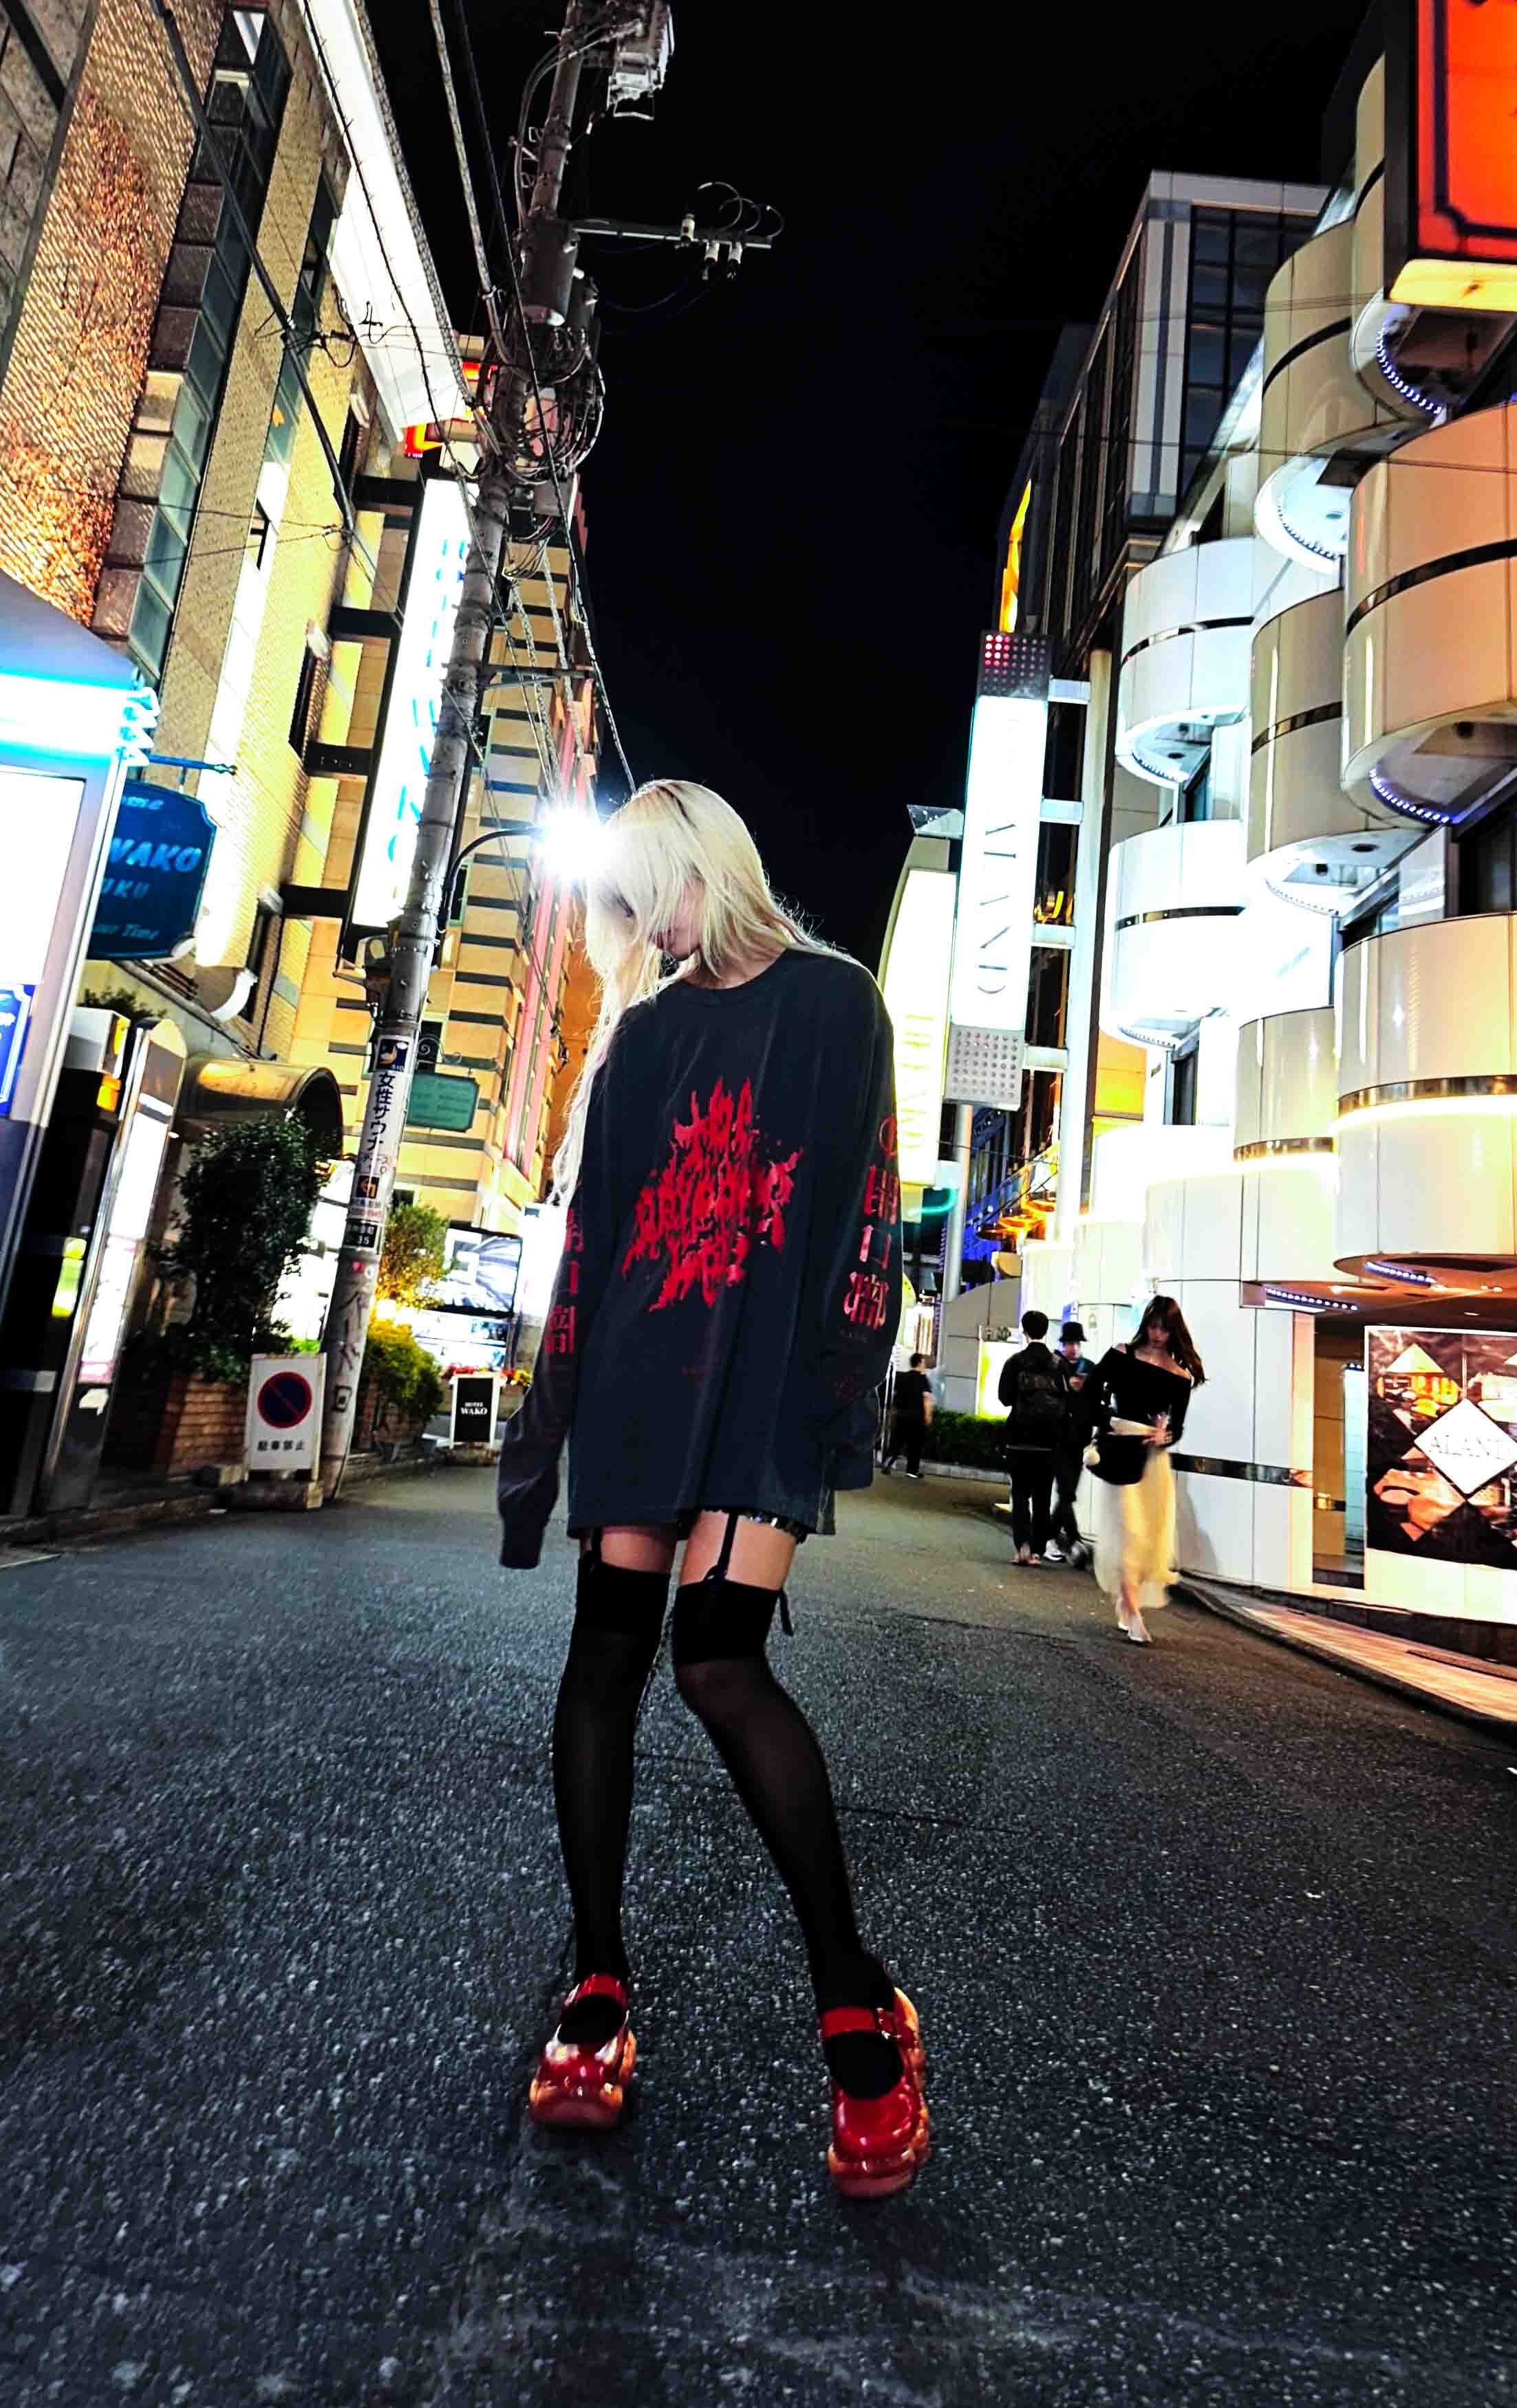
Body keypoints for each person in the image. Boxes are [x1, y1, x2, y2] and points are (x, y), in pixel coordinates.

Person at [497, 778, 931, 2201]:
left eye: (653, 895)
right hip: (641, 1376)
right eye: (625, 908)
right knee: (604, 1656)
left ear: (709, 863)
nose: (649, 928)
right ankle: (598, 1985)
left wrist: (832, 1400)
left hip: (765, 1387)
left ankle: (851, 1998)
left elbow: (866, 1212)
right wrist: (552, 1412)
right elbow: (596, 1230)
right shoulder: (644, 1031)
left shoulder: (835, 1002)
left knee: (718, 1664)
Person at [1077, 1296, 1204, 1644]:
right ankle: (1133, 1611)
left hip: (1152, 1461)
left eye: (1164, 1328)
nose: (1157, 1334)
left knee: (1148, 1539)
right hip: (1119, 1453)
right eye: (1153, 1326)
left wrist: (1165, 1436)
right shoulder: (1122, 1355)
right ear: (1146, 1324)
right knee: (1129, 1531)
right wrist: (1106, 1421)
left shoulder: (1180, 1377)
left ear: (1174, 1331)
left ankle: (1127, 1600)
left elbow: (1177, 1428)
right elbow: (1089, 1393)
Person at [996, 1311, 1067, 1567]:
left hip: (1019, 1439)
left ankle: (1022, 1547)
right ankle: (1038, 1551)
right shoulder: (1058, 1365)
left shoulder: (1015, 1362)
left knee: (1020, 1494)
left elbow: (1004, 1398)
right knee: (1042, 1497)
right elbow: (1067, 1402)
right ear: (1046, 1331)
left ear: (1024, 1331)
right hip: (1049, 1442)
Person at [1050, 1320, 1095, 1565]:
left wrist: (1085, 1389)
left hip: (1080, 1440)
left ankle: (1050, 1536)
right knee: (1066, 1491)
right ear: (1063, 1344)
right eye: (1070, 1343)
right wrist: (1067, 1389)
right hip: (1058, 1437)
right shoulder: (1055, 1367)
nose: (1074, 1348)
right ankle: (1071, 1539)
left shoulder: (1089, 1368)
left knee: (1067, 1492)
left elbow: (1098, 1399)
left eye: (1077, 1343)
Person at [882, 1353, 933, 1476]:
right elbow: (926, 1398)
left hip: (901, 1416)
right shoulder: (923, 1379)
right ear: (920, 1363)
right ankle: (912, 1471)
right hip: (916, 1418)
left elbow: (895, 1396)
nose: (925, 1365)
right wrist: (928, 1415)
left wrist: (893, 1412)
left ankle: (887, 1464)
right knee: (915, 1445)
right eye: (924, 1362)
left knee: (897, 1443)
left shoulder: (902, 1377)